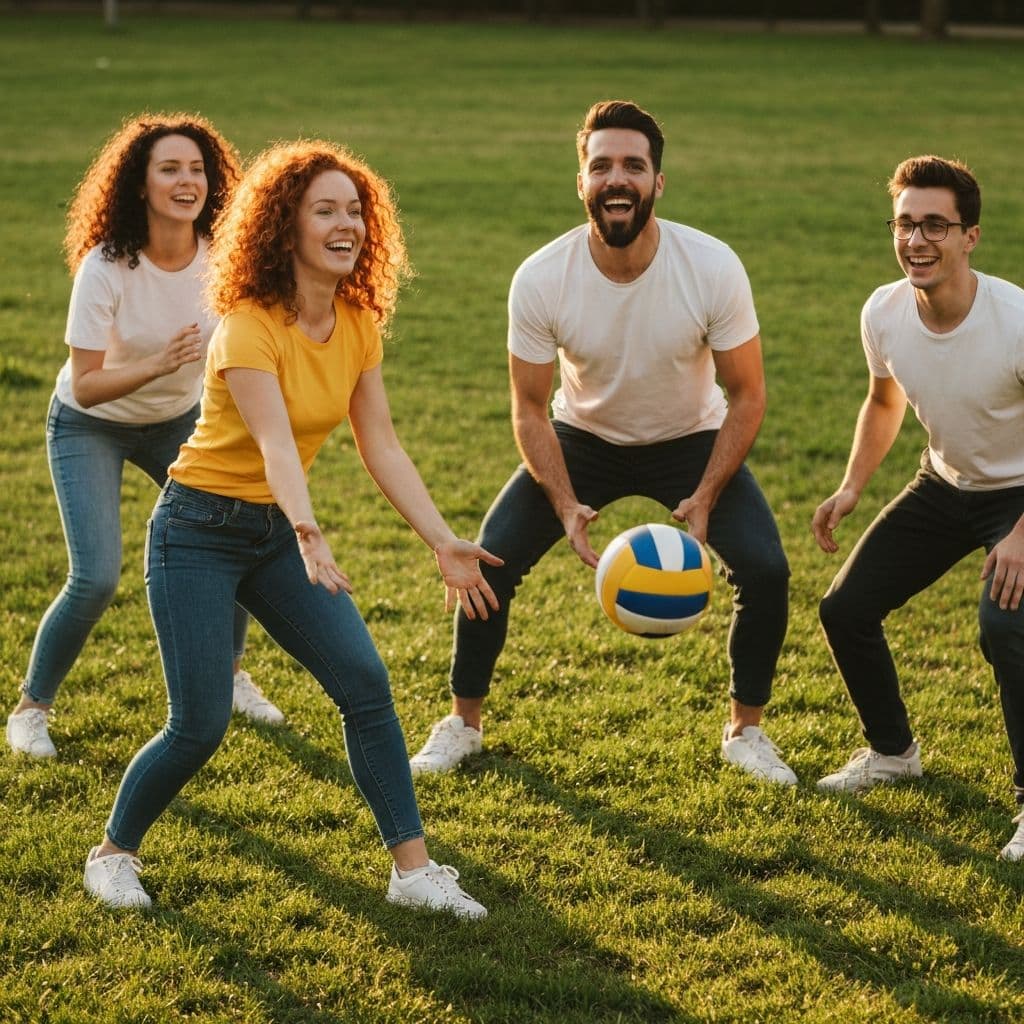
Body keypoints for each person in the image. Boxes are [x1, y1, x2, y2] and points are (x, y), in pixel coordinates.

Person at [82, 140, 501, 916]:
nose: (347, 225)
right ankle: (112, 854)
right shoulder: (247, 326)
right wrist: (309, 530)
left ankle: (412, 873)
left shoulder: (357, 324)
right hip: (197, 531)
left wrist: (441, 538)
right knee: (199, 724)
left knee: (365, 685)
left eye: (356, 211)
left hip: (273, 533)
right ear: (285, 226)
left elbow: (382, 445)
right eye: (325, 211)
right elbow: (274, 441)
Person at [409, 100, 794, 785]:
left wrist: (708, 492)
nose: (618, 178)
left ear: (657, 182)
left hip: (691, 437)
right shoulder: (542, 277)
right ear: (581, 181)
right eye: (602, 165)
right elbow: (529, 409)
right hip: (582, 438)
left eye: (634, 166)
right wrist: (562, 501)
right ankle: (463, 723)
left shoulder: (711, 266)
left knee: (765, 569)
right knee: (488, 565)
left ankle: (746, 730)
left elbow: (748, 395)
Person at [6, 113, 282, 762]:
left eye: (197, 169)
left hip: (181, 421)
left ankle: (231, 676)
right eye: (169, 169)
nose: (187, 181)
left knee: (236, 532)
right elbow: (87, 385)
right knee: (96, 577)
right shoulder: (106, 266)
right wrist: (159, 364)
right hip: (91, 424)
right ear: (140, 184)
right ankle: (31, 709)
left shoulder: (223, 257)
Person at [812, 155, 1024, 861]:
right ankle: (893, 753)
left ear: (971, 237)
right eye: (905, 223)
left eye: (936, 225)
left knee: (1006, 629)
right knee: (845, 609)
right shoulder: (883, 311)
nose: (916, 240)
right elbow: (884, 400)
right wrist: (851, 486)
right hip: (944, 484)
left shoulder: (1016, 321)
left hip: (1019, 496)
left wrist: (1022, 532)